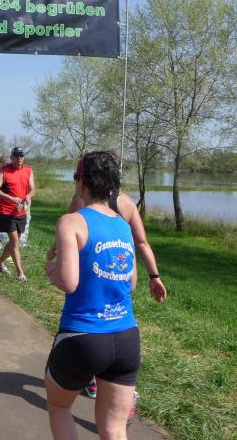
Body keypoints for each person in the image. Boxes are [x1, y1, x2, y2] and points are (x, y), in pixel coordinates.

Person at [43, 151, 144, 440]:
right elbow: (131, 282)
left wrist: (51, 271)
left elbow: (68, 282)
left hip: (83, 336)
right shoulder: (123, 225)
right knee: (113, 428)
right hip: (126, 337)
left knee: (59, 406)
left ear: (82, 182)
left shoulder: (71, 222)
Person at [52, 162, 167, 400]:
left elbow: (69, 247)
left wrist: (53, 263)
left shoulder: (78, 205)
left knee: (61, 403)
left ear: (85, 181)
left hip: (85, 311)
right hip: (122, 317)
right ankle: (118, 387)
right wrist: (154, 276)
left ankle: (92, 379)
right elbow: (141, 242)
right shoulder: (127, 206)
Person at [0, 146, 35, 280]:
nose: (20, 159)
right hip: (6, 211)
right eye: (17, 156)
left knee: (13, 242)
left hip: (21, 211)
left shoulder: (28, 170)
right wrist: (10, 198)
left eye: (22, 156)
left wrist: (28, 196)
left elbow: (32, 190)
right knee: (15, 242)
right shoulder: (4, 171)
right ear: (12, 158)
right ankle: (20, 273)